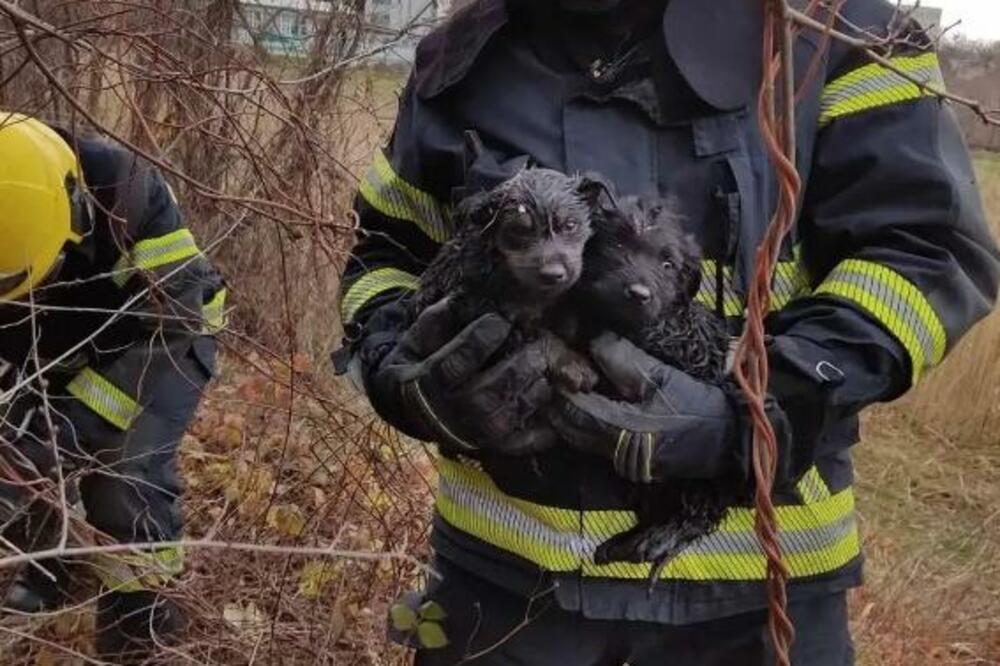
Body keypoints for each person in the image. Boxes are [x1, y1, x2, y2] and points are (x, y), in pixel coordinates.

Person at [333, 0, 1000, 663]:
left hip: (754, 604)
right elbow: (385, 251)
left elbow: (925, 249)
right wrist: (402, 370)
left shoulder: (837, 29)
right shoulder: (463, 59)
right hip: (499, 592)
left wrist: (764, 410)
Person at [0, 112, 226, 661]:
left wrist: (70, 426)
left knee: (123, 472)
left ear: (75, 213)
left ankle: (139, 625)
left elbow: (176, 321)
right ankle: (49, 564)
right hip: (47, 342)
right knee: (19, 451)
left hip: (161, 340)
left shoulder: (125, 193)